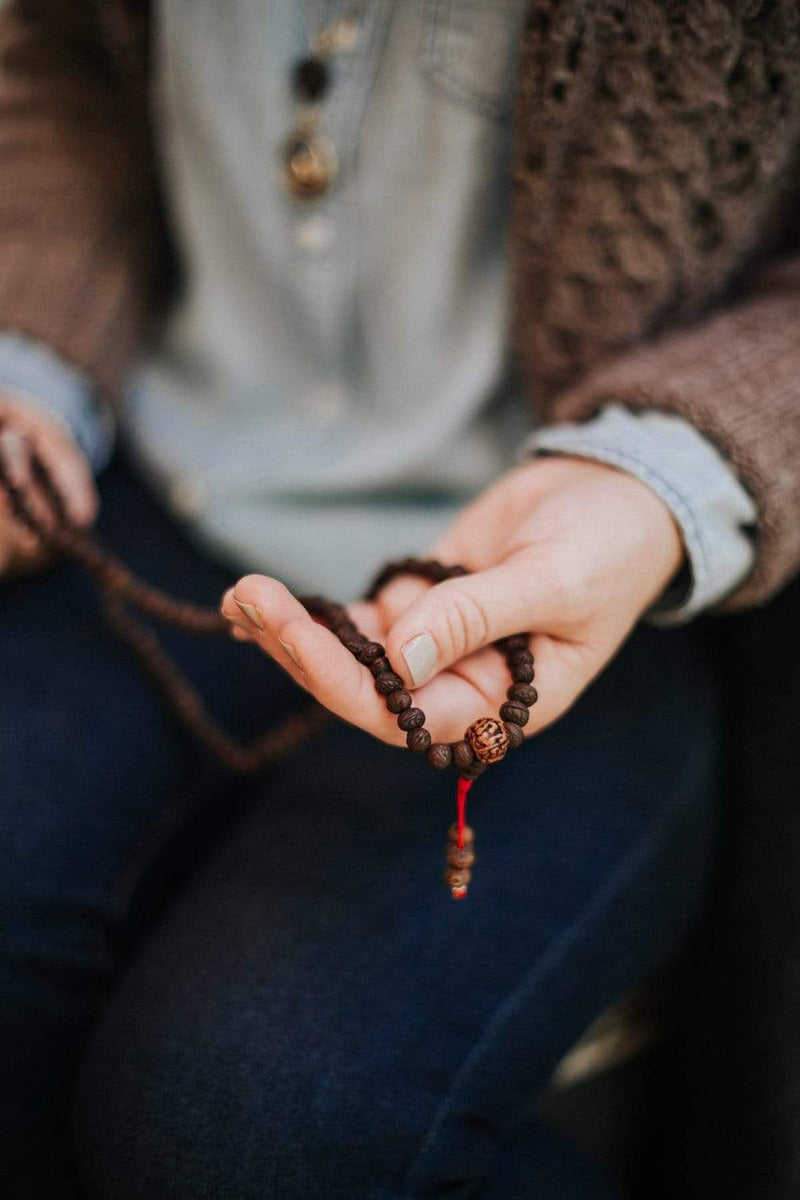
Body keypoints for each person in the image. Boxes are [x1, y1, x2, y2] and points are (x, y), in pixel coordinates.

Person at [0, 2, 798, 1196]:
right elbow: (60, 66)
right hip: (147, 494)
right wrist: (29, 357)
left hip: (578, 588)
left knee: (248, 1126)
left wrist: (663, 478)